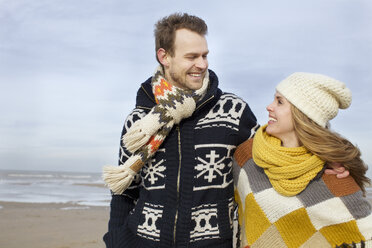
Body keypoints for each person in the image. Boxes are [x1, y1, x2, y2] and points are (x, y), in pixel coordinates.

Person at [103, 13, 259, 248]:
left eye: (205, 55)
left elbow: (272, 161)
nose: (202, 64)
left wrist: (330, 163)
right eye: (192, 57)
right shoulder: (139, 121)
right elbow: (125, 190)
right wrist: (116, 240)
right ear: (164, 56)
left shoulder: (233, 111)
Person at [233, 72, 372, 247]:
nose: (269, 106)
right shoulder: (247, 156)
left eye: (279, 101)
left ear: (302, 115)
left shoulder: (333, 177)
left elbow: (365, 236)